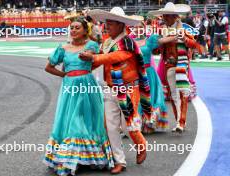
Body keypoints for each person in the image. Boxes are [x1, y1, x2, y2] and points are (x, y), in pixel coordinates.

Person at [79, 7, 150, 174]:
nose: (106, 26)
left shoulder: (127, 42)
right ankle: (120, 161)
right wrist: (81, 68)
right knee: (110, 127)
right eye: (106, 23)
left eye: (110, 23)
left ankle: (141, 145)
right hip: (109, 88)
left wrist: (95, 58)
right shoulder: (106, 42)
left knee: (129, 126)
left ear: (120, 25)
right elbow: (103, 61)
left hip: (127, 88)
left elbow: (116, 57)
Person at [43, 17, 114, 176]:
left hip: (87, 85)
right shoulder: (63, 48)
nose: (73, 30)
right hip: (69, 87)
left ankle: (84, 157)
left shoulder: (91, 45)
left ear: (85, 31)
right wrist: (65, 75)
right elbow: (48, 67)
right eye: (72, 28)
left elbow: (96, 57)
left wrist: (87, 63)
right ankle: (71, 158)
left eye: (77, 28)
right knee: (72, 120)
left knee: (88, 119)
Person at [149, 2, 202, 133]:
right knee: (173, 95)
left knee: (183, 93)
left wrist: (184, 39)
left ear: (174, 17)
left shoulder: (183, 31)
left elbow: (196, 46)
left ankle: (181, 122)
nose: (165, 18)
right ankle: (178, 120)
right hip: (169, 66)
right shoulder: (162, 32)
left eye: (167, 16)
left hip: (181, 66)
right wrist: (158, 44)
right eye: (164, 16)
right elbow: (156, 51)